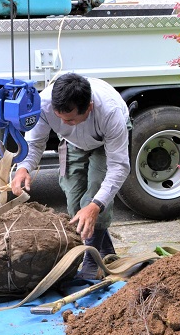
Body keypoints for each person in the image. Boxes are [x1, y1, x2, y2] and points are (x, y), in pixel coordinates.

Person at [11, 72, 130, 279]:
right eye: (60, 119)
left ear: (89, 108)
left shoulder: (110, 112)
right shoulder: (45, 104)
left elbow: (119, 166)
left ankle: (91, 262)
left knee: (93, 194)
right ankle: (106, 251)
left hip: (104, 142)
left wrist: (95, 206)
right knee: (75, 202)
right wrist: (24, 168)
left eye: (71, 119)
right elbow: (35, 142)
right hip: (73, 142)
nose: (64, 123)